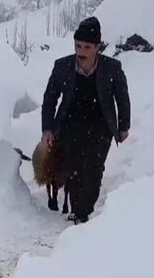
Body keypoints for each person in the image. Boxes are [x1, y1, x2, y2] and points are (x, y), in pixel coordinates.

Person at [41, 16, 131, 224]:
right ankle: (78, 210)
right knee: (72, 167)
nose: (81, 52)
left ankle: (85, 209)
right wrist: (47, 129)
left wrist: (123, 126)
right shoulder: (62, 66)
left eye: (87, 47)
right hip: (69, 123)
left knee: (93, 168)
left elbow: (122, 98)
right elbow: (50, 98)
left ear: (97, 47)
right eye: (77, 46)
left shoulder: (112, 68)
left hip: (100, 126)